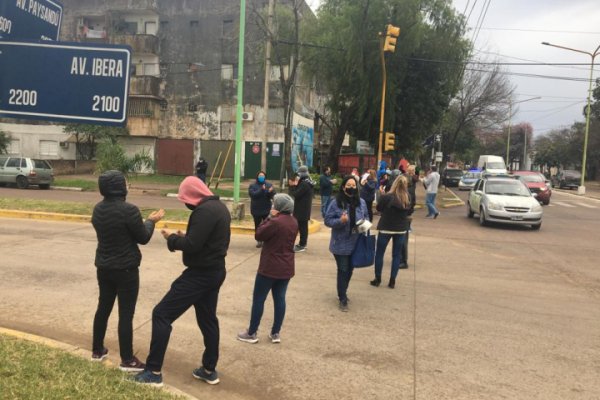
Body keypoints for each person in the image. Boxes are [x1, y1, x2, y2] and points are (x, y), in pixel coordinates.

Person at [134, 177, 231, 387]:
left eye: (185, 199)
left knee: (161, 314)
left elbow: (193, 246)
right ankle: (208, 369)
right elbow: (204, 240)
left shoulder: (203, 211)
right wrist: (186, 236)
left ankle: (153, 371)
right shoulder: (220, 208)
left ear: (193, 196)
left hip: (200, 275)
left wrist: (171, 238)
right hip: (215, 271)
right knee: (208, 320)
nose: (185, 203)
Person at [91, 170, 164, 372]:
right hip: (126, 270)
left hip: (104, 267)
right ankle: (127, 359)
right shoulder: (129, 210)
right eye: (124, 182)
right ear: (119, 187)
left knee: (103, 308)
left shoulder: (97, 210)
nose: (127, 185)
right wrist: (151, 221)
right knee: (126, 314)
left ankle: (97, 350)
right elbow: (143, 237)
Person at [237, 194, 298, 344]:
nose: (272, 206)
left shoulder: (275, 222)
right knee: (280, 299)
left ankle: (252, 332)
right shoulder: (293, 221)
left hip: (270, 267)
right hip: (286, 267)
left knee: (259, 299)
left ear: (279, 207)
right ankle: (275, 332)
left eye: (274, 205)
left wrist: (269, 217)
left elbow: (259, 234)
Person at [324, 175, 369, 312]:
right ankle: (342, 298)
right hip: (340, 244)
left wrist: (359, 229)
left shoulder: (361, 202)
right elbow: (327, 220)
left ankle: (342, 291)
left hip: (356, 243)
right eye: (348, 185)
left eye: (353, 185)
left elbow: (367, 218)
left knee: (350, 270)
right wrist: (340, 222)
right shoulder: (335, 202)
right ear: (343, 187)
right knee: (343, 270)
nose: (351, 188)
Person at [370, 176, 413, 289]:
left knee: (379, 253)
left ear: (394, 183)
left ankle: (378, 279)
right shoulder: (407, 197)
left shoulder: (386, 197)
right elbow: (410, 211)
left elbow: (379, 209)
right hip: (401, 229)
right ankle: (392, 280)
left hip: (386, 227)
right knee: (396, 255)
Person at [289, 165, 314, 253]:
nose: (298, 175)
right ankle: (302, 244)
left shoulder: (304, 184)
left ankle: (302, 245)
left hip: (301, 210)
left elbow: (296, 194)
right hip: (304, 209)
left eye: (299, 173)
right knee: (303, 227)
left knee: (302, 228)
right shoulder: (308, 182)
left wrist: (292, 186)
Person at [249, 171, 275, 248]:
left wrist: (270, 192)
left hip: (266, 209)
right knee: (257, 226)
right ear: (257, 177)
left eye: (263, 176)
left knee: (267, 225)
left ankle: (267, 240)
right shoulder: (252, 185)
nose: (261, 177)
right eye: (260, 176)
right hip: (256, 209)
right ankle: (259, 240)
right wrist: (262, 190)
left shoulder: (269, 185)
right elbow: (253, 195)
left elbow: (272, 196)